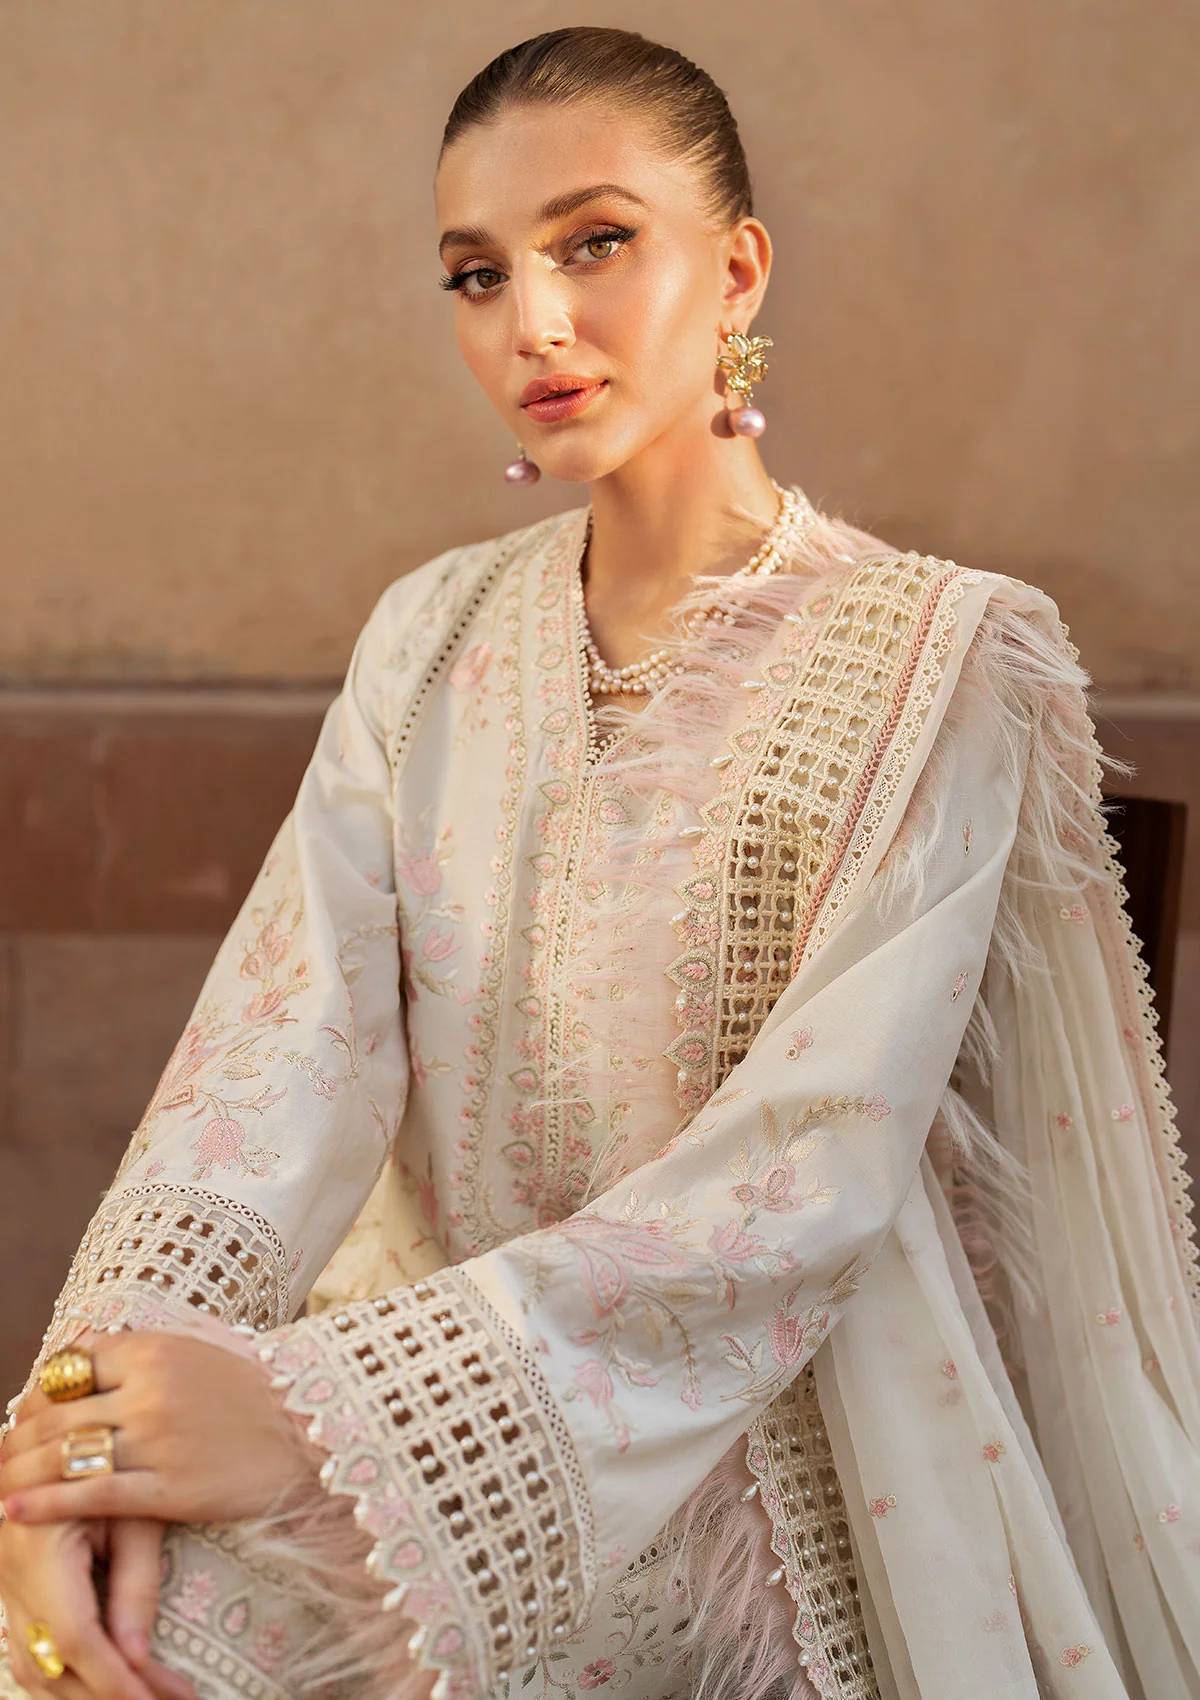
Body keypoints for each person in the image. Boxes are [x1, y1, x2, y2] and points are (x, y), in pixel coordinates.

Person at [1, 24, 1197, 1700]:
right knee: (82, 1620)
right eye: (478, 275)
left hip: (771, 1461)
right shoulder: (431, 636)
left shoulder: (936, 659)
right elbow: (272, 1062)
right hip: (413, 1372)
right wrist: (85, 1433)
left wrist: (321, 1418)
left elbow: (803, 1182)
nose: (534, 324)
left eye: (596, 243)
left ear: (739, 270)